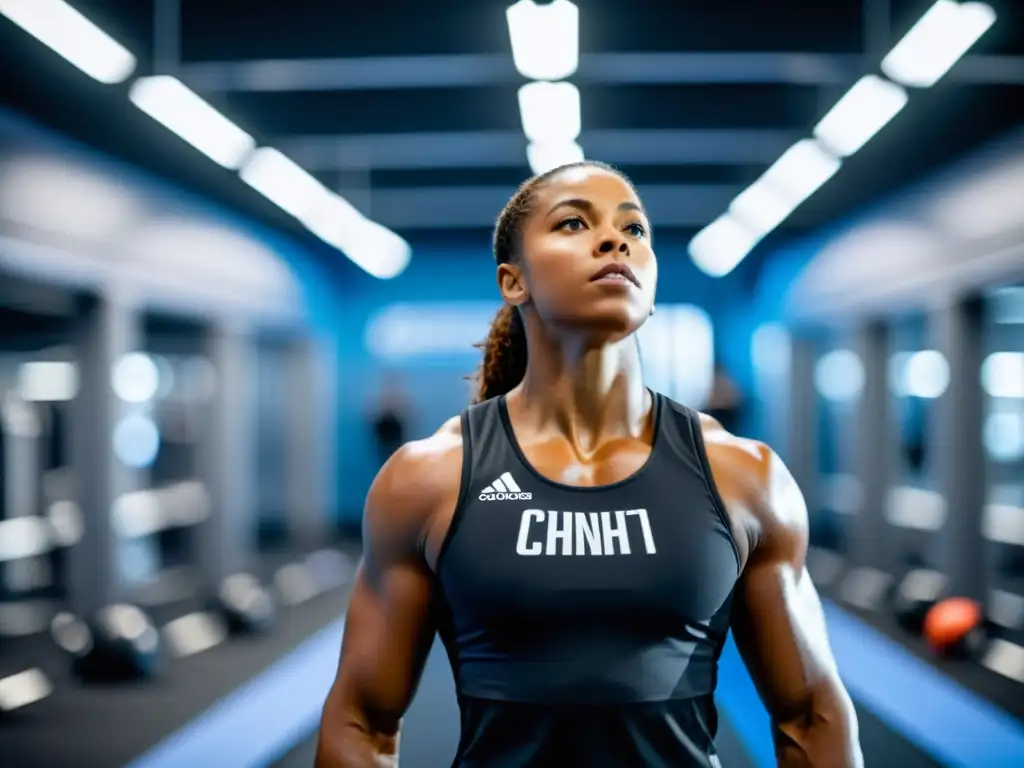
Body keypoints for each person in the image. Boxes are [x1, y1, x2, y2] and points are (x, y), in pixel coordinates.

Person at [314, 161, 862, 767]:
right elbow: (360, 721)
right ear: (513, 281)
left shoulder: (743, 476)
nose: (616, 240)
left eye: (635, 229)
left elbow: (811, 716)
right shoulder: (428, 479)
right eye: (574, 222)